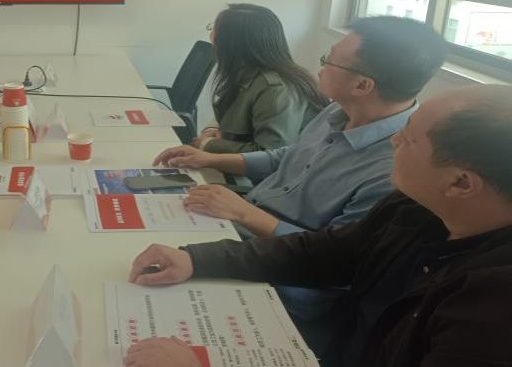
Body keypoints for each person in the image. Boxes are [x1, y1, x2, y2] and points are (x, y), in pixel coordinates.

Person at [127, 85, 512, 367]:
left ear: (461, 183)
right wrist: (198, 258)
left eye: (408, 139)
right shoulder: (416, 206)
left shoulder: (493, 306)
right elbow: (328, 252)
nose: (394, 141)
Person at [153, 16, 447, 321]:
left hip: (285, 281)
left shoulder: (396, 170)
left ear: (362, 85)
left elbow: (337, 258)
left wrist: (244, 213)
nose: (320, 66)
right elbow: (289, 156)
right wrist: (210, 159)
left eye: (329, 59)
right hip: (243, 229)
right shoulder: (337, 111)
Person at [193, 4, 326, 154]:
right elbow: (231, 114)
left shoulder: (275, 89)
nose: (212, 37)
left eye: (214, 29)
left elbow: (269, 154)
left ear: (231, 43)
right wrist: (213, 130)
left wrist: (208, 145)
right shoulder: (247, 73)